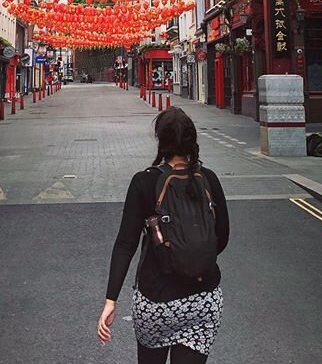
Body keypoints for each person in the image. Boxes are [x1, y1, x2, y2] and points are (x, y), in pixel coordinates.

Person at [97, 107, 229, 363]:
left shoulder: (144, 182)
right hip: (204, 300)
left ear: (161, 142)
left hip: (156, 301)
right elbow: (221, 238)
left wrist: (110, 300)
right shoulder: (209, 179)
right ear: (192, 140)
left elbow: (125, 244)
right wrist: (193, 255)